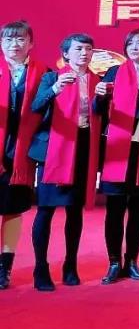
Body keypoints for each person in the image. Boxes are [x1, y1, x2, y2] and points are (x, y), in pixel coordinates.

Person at [29, 33, 102, 291]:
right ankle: (40, 268)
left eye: (89, 49)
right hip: (55, 150)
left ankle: (70, 265)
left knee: (74, 210)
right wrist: (56, 89)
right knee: (46, 210)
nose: (84, 53)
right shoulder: (52, 77)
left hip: (83, 147)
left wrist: (103, 99)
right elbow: (35, 106)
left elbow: (102, 116)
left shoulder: (97, 81)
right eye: (79, 49)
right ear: (66, 53)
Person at [95, 28, 139, 285]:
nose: (134, 47)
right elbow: (99, 109)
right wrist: (100, 97)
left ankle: (132, 261)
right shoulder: (114, 72)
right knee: (115, 207)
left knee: (138, 208)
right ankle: (114, 262)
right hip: (118, 146)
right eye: (130, 43)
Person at [0, 20, 46, 290]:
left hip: (21, 152)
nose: (14, 45)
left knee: (12, 209)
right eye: (8, 39)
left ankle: (4, 267)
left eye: (20, 39)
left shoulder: (42, 73)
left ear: (30, 43)